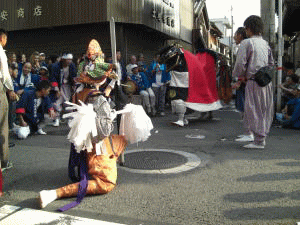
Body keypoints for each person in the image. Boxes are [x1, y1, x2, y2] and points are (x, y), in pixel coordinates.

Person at [233, 15, 274, 149]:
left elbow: (240, 64)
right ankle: (260, 138)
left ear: (248, 28)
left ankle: (258, 141)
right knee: (264, 110)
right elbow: (271, 63)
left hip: (253, 81)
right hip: (265, 82)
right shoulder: (265, 43)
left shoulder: (247, 43)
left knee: (253, 110)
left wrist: (239, 76)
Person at [0, 29, 18, 175]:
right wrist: (10, 90)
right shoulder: (0, 51)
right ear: (2, 38)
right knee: (2, 126)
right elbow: (5, 74)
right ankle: (3, 161)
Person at [51, 53, 77, 127]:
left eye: (70, 60)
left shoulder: (72, 66)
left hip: (68, 86)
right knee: (57, 102)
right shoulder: (56, 66)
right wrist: (56, 90)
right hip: (59, 86)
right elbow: (53, 78)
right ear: (63, 60)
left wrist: (74, 86)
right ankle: (56, 118)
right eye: (68, 60)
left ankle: (69, 118)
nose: (69, 61)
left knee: (68, 102)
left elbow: (74, 77)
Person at [232, 27, 248, 115]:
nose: (234, 37)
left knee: (244, 109)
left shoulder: (243, 46)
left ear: (240, 35)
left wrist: (239, 80)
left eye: (235, 35)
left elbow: (241, 65)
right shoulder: (250, 44)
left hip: (245, 81)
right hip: (250, 80)